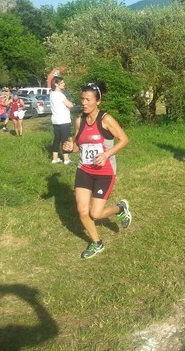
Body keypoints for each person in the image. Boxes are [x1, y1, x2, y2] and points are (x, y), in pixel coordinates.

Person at [62, 81, 132, 259]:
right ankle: (97, 243)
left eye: (88, 99)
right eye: (82, 99)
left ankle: (120, 208)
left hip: (104, 172)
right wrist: (71, 147)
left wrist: (107, 154)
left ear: (97, 101)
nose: (84, 103)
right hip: (84, 170)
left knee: (96, 213)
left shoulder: (106, 119)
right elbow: (78, 146)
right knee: (83, 210)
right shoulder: (80, 121)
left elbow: (124, 139)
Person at [50, 76, 74, 164]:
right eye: (62, 82)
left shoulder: (51, 93)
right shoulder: (60, 94)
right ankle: (66, 159)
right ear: (56, 84)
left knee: (57, 139)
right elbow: (70, 105)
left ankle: (54, 159)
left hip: (55, 120)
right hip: (64, 120)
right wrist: (73, 104)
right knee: (65, 140)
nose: (64, 84)